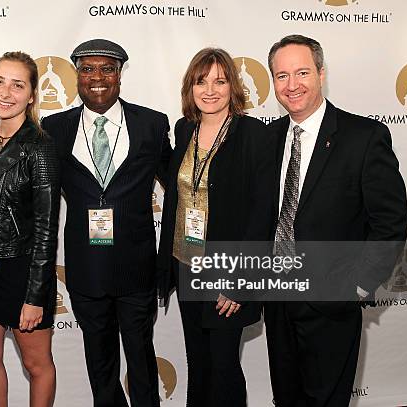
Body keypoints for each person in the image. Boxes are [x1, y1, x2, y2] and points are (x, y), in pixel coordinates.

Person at [264, 34, 407, 406]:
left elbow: (390, 221)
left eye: (302, 73)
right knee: (287, 398)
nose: (292, 85)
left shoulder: (363, 136)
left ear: (321, 73)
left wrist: (358, 286)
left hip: (331, 303)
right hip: (278, 302)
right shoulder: (267, 138)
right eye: (281, 76)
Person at [42, 38, 172, 407]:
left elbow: (178, 188)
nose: (96, 77)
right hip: (86, 270)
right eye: (87, 69)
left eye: (107, 68)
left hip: (137, 267)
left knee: (141, 357)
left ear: (119, 75)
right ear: (76, 77)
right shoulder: (54, 128)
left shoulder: (151, 123)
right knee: (99, 363)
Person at [156, 48, 274, 406]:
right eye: (201, 80)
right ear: (190, 87)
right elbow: (181, 189)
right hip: (185, 263)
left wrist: (240, 280)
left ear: (233, 87)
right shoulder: (184, 128)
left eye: (220, 81)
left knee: (223, 365)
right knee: (199, 362)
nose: (210, 89)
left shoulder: (253, 134)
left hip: (227, 271)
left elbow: (262, 213)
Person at [0, 51, 60, 407]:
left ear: (32, 95)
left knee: (37, 364)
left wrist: (35, 295)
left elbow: (46, 227)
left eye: (17, 85)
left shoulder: (40, 147)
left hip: (22, 271)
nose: (5, 92)